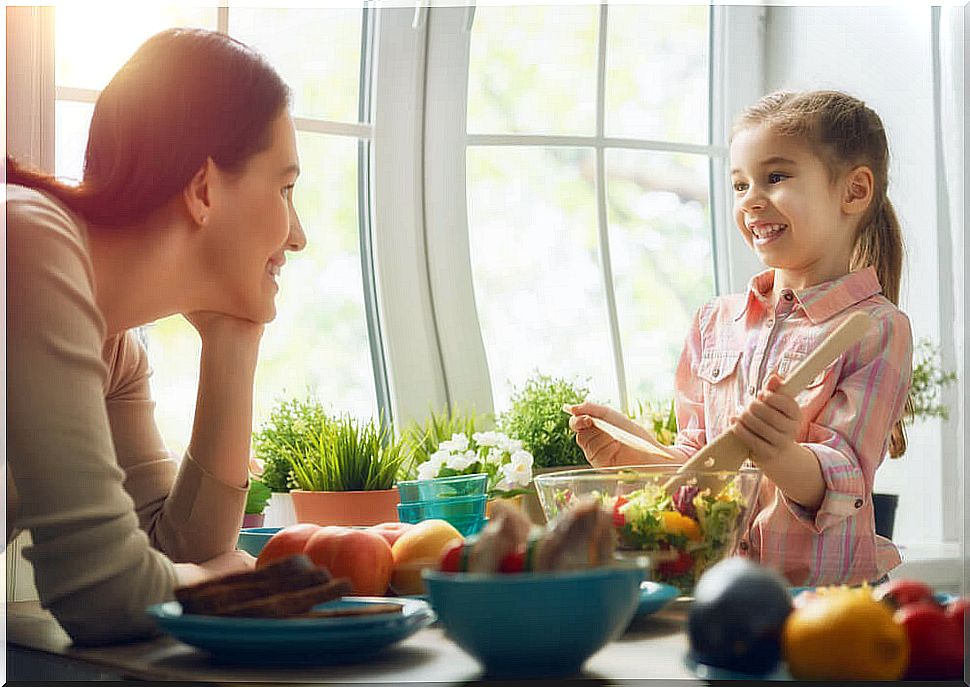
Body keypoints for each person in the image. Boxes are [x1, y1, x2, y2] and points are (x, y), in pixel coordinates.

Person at [6, 28, 306, 645]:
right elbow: (109, 595)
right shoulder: (28, 243)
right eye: (284, 188)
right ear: (202, 190)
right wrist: (225, 579)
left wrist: (233, 346)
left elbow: (168, 552)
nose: (298, 235)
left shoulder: (114, 352)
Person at [566, 90, 912, 587]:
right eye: (739, 184)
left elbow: (845, 481)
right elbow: (704, 471)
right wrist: (637, 455)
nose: (750, 199)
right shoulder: (714, 322)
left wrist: (779, 454)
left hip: (819, 604)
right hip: (716, 591)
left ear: (854, 191)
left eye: (775, 177)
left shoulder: (878, 328)